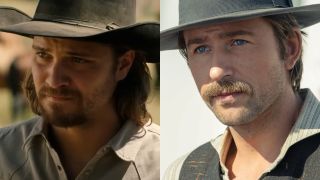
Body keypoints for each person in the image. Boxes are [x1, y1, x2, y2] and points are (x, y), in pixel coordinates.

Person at [0, 0, 159, 179]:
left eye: (77, 60)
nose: (54, 80)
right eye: (43, 55)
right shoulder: (4, 155)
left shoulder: (163, 166)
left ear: (123, 64)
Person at [161, 0, 320, 179]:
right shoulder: (180, 173)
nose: (216, 72)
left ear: (290, 48)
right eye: (201, 49)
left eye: (238, 42)